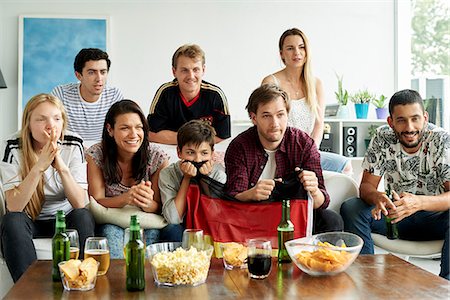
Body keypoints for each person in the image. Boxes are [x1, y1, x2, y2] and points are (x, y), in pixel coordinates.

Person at [340, 89, 449, 280]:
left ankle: (446, 286)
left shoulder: (441, 140)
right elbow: (365, 187)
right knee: (352, 207)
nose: (410, 127)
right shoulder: (382, 137)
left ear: (425, 117)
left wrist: (419, 203)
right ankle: (366, 282)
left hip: (436, 219)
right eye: (401, 120)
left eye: (415, 119)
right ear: (390, 122)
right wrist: (378, 197)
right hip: (396, 217)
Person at [0, 93, 95, 282]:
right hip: (29, 219)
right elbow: (14, 206)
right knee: (12, 221)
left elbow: (79, 202)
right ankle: (29, 290)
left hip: (64, 218)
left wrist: (61, 167)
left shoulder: (73, 143)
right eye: (41, 119)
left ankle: (81, 284)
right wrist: (39, 167)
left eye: (57, 118)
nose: (51, 125)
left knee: (83, 216)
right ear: (28, 123)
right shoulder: (11, 146)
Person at [225, 84, 343, 233]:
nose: (275, 124)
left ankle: (314, 257)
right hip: (253, 215)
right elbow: (231, 199)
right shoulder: (239, 146)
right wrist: (252, 194)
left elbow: (321, 202)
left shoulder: (303, 143)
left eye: (280, 115)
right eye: (266, 116)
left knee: (331, 219)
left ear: (287, 114)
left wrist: (313, 190)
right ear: (254, 118)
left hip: (294, 214)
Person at [86, 100, 182, 258]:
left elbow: (160, 208)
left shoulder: (157, 156)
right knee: (109, 230)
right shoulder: (97, 154)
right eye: (125, 128)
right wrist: (126, 198)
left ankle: (147, 279)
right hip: (112, 218)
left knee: (154, 234)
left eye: (139, 127)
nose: (133, 135)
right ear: (110, 129)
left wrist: (145, 202)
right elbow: (96, 200)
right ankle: (118, 281)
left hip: (148, 218)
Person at [262, 28, 352, 175]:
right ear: (281, 54)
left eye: (301, 47)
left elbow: (319, 124)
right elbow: (267, 122)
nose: (297, 52)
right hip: (280, 150)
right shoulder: (271, 82)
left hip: (307, 150)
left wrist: (310, 151)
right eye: (290, 48)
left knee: (345, 166)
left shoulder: (316, 84)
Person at [147, 44, 231, 145]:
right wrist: (197, 138)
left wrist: (188, 141)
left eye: (196, 70)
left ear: (203, 70)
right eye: (184, 70)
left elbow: (223, 136)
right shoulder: (165, 93)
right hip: (170, 151)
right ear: (174, 72)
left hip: (204, 152)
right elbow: (150, 134)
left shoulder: (216, 95)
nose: (191, 76)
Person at [159, 120, 226, 225]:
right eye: (190, 153)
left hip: (210, 227)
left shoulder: (219, 173)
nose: (198, 160)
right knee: (172, 230)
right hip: (182, 227)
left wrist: (206, 179)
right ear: (179, 152)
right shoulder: (168, 174)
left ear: (212, 153)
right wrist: (186, 179)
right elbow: (173, 219)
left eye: (204, 153)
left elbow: (216, 215)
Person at [51, 48, 123, 143]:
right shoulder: (61, 94)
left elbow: (120, 132)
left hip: (104, 154)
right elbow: (51, 130)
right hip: (69, 153)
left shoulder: (114, 96)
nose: (99, 78)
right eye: (91, 72)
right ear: (78, 75)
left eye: (103, 72)